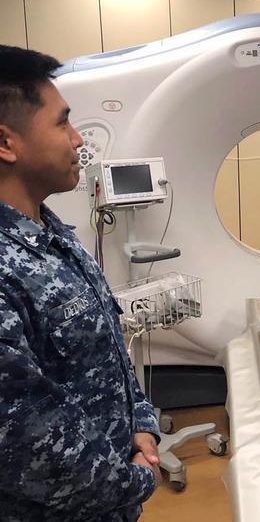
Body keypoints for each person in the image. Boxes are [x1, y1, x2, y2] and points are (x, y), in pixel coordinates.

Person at [0, 45, 161, 521]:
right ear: (6, 143)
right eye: (61, 123)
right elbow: (26, 441)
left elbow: (111, 346)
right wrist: (138, 479)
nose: (78, 141)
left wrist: (142, 423)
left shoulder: (53, 236)